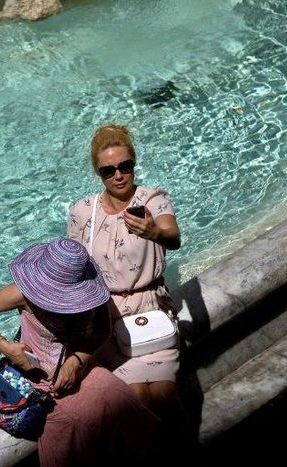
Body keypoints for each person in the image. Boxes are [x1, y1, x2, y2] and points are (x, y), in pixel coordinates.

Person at [0, 237, 157, 466]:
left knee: (130, 416)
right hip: (39, 385)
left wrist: (77, 360)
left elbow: (102, 328)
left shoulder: (90, 291)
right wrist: (5, 346)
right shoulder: (23, 294)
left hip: (81, 372)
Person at [66, 123, 191, 449]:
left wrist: (155, 233)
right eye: (108, 170)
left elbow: (173, 236)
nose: (119, 175)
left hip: (152, 308)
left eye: (125, 166)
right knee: (132, 397)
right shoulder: (83, 211)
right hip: (108, 317)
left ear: (134, 163)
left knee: (163, 394)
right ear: (98, 173)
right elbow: (72, 264)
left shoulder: (153, 199)